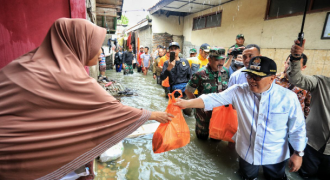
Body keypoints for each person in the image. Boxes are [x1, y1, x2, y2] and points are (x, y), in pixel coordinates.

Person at [0, 18, 173, 180]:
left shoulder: (23, 64)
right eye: (96, 46)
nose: (100, 53)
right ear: (79, 44)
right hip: (23, 163)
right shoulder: (69, 76)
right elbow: (113, 111)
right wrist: (152, 115)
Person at [175, 56, 307, 180]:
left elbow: (298, 128)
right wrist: (186, 103)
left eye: (257, 77)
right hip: (246, 151)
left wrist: (298, 153)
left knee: (275, 177)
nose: (251, 80)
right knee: (247, 176)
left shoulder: (288, 97)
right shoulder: (238, 91)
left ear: (272, 78)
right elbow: (212, 99)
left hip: (274, 154)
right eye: (249, 75)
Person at [289, 39, 330, 180]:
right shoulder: (321, 82)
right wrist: (295, 57)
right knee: (304, 175)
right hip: (312, 144)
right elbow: (295, 78)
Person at [185, 47, 231, 140]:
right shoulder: (200, 73)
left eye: (223, 59)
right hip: (203, 115)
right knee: (202, 138)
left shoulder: (225, 72)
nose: (221, 62)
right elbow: (188, 90)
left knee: (217, 139)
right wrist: (197, 105)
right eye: (217, 60)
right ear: (209, 59)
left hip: (219, 114)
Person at [275, 54, 311, 119]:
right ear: (285, 63)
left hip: (296, 123)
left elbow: (308, 106)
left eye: (296, 66)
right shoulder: (272, 80)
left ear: (303, 67)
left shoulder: (306, 84)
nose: (291, 67)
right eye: (289, 63)